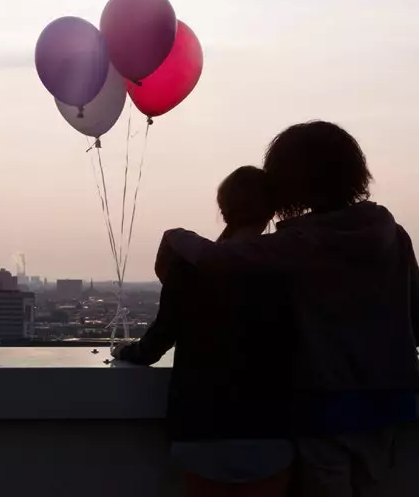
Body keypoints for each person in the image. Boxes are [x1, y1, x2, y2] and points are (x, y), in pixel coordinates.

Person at [158, 121, 419, 497]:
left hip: (324, 403)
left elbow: (217, 259)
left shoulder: (300, 241)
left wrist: (174, 236)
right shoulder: (394, 234)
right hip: (389, 401)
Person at [117, 166, 295, 496]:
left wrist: (125, 351)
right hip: (270, 423)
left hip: (202, 422)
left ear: (224, 209)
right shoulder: (287, 266)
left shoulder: (191, 266)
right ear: (272, 211)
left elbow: (158, 340)